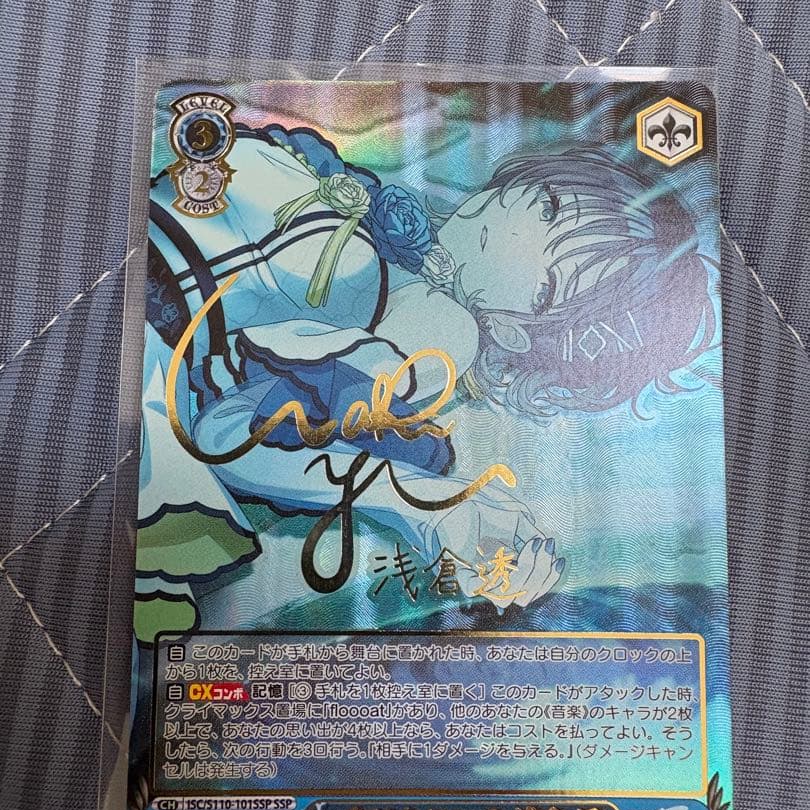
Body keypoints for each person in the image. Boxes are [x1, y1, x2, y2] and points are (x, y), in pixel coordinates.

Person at [136, 123, 716, 636]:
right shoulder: (390, 221)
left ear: (517, 333)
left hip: (156, 346)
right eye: (547, 203)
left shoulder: (432, 347)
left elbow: (230, 432)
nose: (513, 229)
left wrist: (428, 506)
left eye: (544, 287)